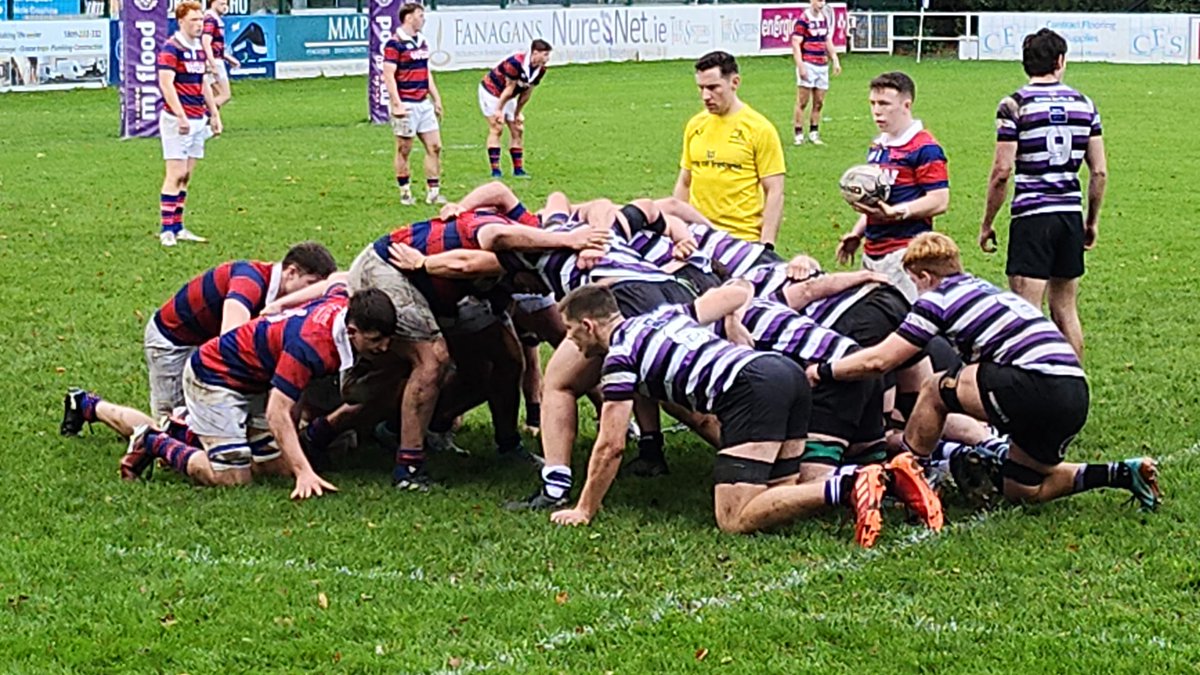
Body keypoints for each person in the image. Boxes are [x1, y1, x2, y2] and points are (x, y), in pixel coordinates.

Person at [807, 232, 1160, 511]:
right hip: (1074, 393)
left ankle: (911, 478)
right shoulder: (980, 289)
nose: (914, 289)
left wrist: (824, 370)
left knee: (935, 389)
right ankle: (1120, 472)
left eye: (914, 280)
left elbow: (879, 361)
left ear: (926, 276)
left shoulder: (938, 298)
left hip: (1036, 383)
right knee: (1023, 487)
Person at [121, 286, 396, 500]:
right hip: (215, 377)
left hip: (256, 380)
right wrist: (304, 472)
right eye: (375, 340)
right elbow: (277, 412)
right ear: (351, 331)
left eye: (387, 339)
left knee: (275, 468)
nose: (384, 348)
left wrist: (280, 305)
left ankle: (187, 430)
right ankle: (154, 441)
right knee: (232, 478)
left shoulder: (343, 304)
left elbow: (336, 281)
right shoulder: (310, 346)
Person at [979, 28, 1105, 361]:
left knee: (1026, 312)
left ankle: (1034, 390)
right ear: (1060, 61)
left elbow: (1002, 171)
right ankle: (1074, 387)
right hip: (1069, 217)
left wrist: (987, 222)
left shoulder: (1014, 105)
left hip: (1032, 218)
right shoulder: (1085, 104)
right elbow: (1099, 171)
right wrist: (1090, 221)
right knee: (1065, 309)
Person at [137, 243, 336, 417]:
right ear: (291, 272)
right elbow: (230, 339)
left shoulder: (282, 295)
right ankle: (121, 420)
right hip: (173, 340)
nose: (313, 297)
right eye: (311, 285)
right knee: (170, 418)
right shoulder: (249, 280)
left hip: (206, 338)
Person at [835, 72, 948, 300]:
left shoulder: (925, 148)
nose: (877, 111)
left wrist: (898, 212)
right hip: (873, 252)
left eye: (885, 104)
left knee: (911, 322)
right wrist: (857, 234)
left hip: (906, 254)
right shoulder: (878, 146)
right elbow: (875, 201)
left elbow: (939, 200)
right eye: (873, 103)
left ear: (906, 105)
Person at [674, 51, 786, 247]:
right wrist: (676, 228)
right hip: (698, 236)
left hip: (741, 239)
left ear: (735, 82)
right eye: (700, 88)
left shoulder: (759, 128)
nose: (705, 96)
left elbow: (774, 190)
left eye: (713, 87)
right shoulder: (695, 126)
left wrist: (767, 243)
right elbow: (685, 182)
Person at [156, 0, 222, 247]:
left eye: (201, 20)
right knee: (176, 173)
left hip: (198, 118)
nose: (199, 25)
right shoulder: (171, 48)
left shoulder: (198, 48)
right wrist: (180, 115)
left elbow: (203, 83)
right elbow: (166, 84)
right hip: (177, 120)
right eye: (194, 20)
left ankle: (179, 226)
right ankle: (166, 230)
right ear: (180, 21)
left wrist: (214, 114)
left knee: (187, 176)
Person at [383, 3, 445, 206]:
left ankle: (433, 192)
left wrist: (436, 98)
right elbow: (389, 74)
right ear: (409, 17)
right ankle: (405, 192)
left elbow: (426, 71)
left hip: (423, 103)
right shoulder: (394, 43)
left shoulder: (422, 42)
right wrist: (396, 103)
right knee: (404, 148)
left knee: (435, 147)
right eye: (420, 15)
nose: (423, 19)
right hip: (406, 104)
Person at [479, 40, 552, 178]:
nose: (547, 59)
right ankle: (496, 171)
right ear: (535, 53)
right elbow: (509, 88)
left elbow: (527, 92)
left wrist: (518, 113)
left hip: (509, 95)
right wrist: (499, 110)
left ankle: (518, 170)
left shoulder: (540, 70)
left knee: (517, 129)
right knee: (497, 127)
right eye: (545, 55)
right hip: (491, 92)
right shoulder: (515, 63)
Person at [790, 0, 841, 146]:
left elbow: (826, 40)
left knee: (819, 102)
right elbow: (796, 43)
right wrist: (800, 65)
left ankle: (814, 132)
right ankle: (799, 133)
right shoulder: (803, 19)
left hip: (822, 65)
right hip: (808, 63)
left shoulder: (823, 18)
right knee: (803, 101)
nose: (822, 3)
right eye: (819, 0)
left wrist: (835, 59)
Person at [202, 0, 240, 109]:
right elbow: (206, 42)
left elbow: (216, 45)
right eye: (222, 4)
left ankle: (209, 122)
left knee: (215, 95)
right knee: (225, 95)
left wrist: (229, 58)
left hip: (215, 59)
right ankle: (200, 114)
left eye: (226, 4)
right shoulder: (210, 19)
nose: (225, 7)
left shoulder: (216, 19)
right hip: (214, 61)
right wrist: (212, 63)